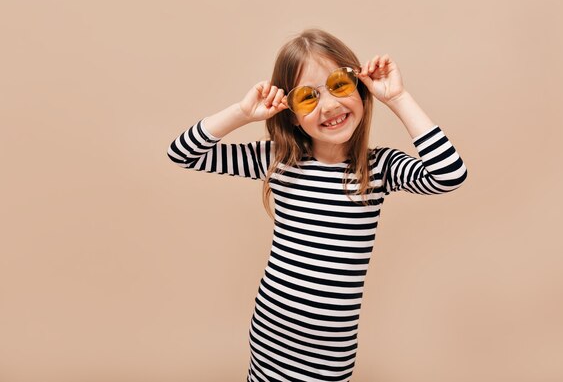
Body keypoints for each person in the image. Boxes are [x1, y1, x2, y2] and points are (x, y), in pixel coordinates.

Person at [167, 28, 468, 382]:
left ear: (359, 88)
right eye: (308, 98)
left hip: (330, 348)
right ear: (292, 114)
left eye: (340, 85)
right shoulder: (279, 160)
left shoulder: (378, 169)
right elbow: (182, 153)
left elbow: (449, 173)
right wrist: (243, 112)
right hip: (271, 332)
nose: (329, 106)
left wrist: (397, 97)